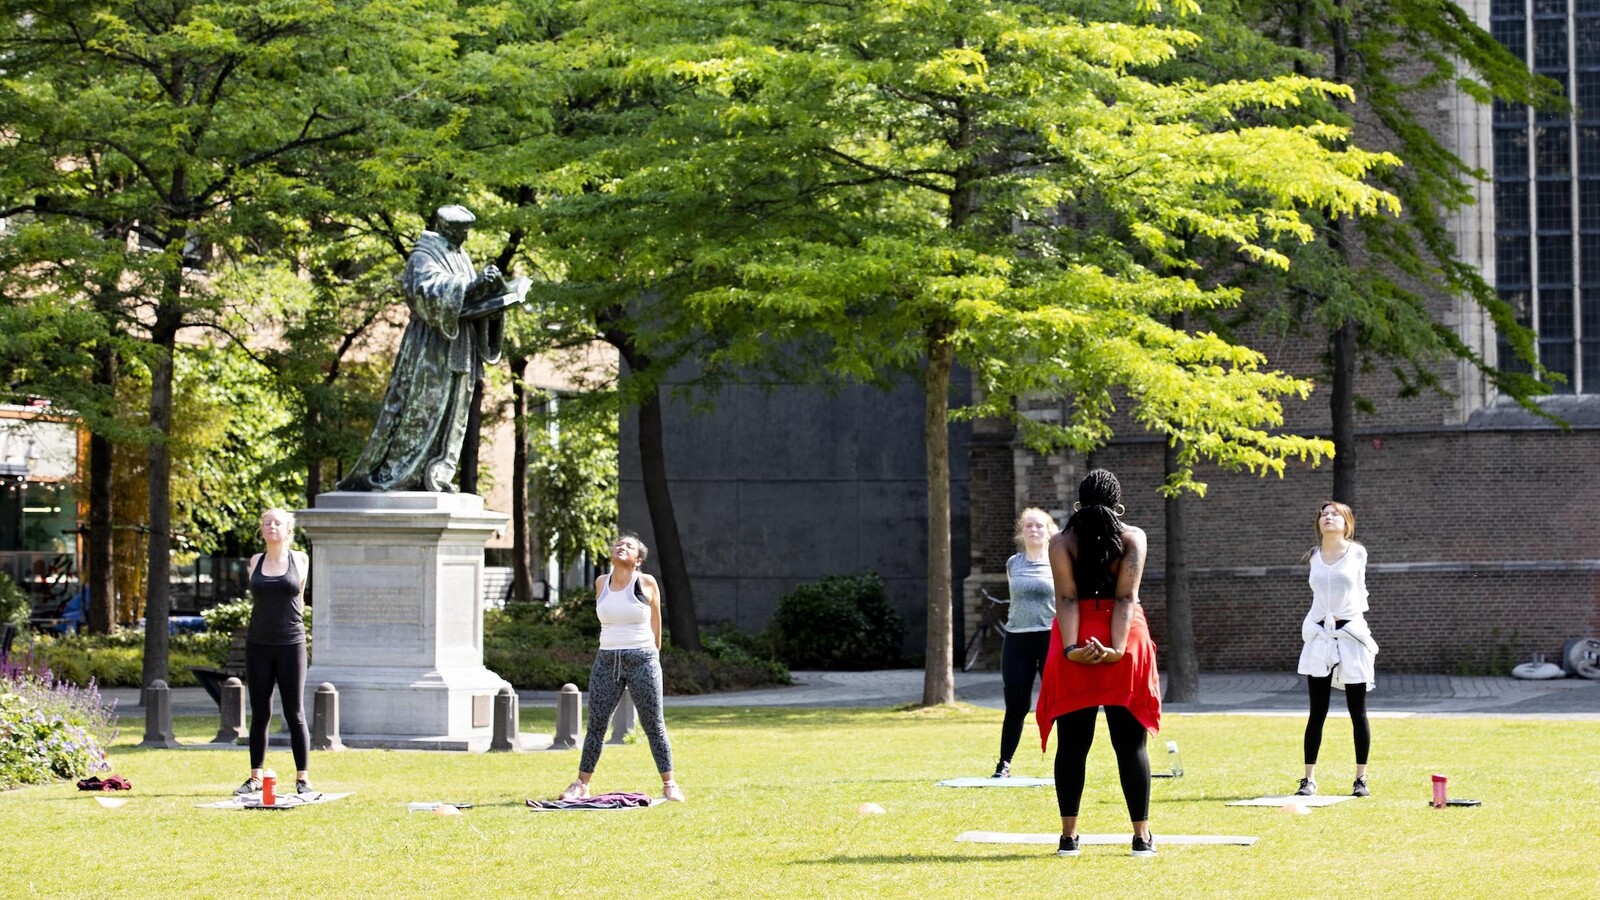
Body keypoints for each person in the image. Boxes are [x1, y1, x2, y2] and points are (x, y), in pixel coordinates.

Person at [339, 204, 518, 493]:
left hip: (461, 347)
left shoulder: (460, 256)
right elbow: (425, 291)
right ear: (445, 228)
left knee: (454, 417)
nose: (464, 237)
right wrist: (471, 287)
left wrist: (493, 295)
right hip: (430, 349)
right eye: (460, 230)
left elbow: (470, 298)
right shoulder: (423, 255)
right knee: (421, 412)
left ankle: (437, 474)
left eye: (466, 231)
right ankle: (396, 474)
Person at [1034, 469, 1161, 858]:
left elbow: (1067, 599)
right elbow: (1126, 599)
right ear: (1117, 502)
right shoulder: (1133, 537)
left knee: (1072, 743)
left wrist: (1073, 649)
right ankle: (1141, 837)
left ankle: (1068, 837)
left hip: (1075, 634)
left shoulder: (1061, 542)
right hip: (1125, 637)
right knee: (1130, 744)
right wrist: (1117, 650)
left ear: (1079, 502)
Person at [558, 533, 685, 803]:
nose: (621, 547)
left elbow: (656, 623)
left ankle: (670, 785)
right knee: (596, 725)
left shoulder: (646, 582)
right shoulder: (601, 583)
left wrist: (652, 658)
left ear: (637, 560)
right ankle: (581, 784)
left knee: (654, 725)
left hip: (642, 659)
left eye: (629, 546)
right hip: (606, 660)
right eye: (619, 544)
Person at [1294, 500, 1378, 798]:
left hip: (1350, 636)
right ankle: (1308, 779)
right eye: (1324, 515)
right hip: (1320, 636)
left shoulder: (1357, 553)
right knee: (1317, 711)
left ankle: (1361, 778)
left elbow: (1360, 594)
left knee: (1358, 711)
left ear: (1346, 523)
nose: (1328, 518)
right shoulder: (1314, 556)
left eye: (1335, 515)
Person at [234, 508, 313, 797]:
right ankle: (255, 777)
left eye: (278, 523)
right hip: (258, 645)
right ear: (262, 529)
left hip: (291, 644)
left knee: (295, 713)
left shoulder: (300, 560)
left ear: (288, 530)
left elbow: (300, 600)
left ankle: (302, 778)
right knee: (260, 712)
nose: (272, 527)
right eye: (267, 523)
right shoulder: (255, 561)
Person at [991, 507, 1060, 778]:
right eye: (1029, 525)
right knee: (1016, 705)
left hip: (1049, 637)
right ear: (1022, 531)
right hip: (1017, 638)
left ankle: (1065, 761)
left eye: (1039, 526)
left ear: (1048, 532)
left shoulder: (1057, 562)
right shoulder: (1013, 563)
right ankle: (1004, 764)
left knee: (1057, 702)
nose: (1034, 530)